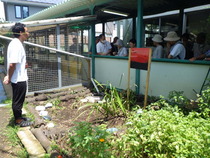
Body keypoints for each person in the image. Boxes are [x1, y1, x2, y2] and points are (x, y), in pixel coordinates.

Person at [3, 23, 33, 127]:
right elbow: (12, 65)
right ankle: (18, 121)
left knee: (19, 99)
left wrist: (23, 66)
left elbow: (16, 63)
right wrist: (9, 77)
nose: (28, 33)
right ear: (21, 32)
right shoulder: (16, 44)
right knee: (17, 101)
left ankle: (19, 117)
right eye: (27, 31)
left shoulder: (17, 43)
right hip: (18, 79)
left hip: (19, 77)